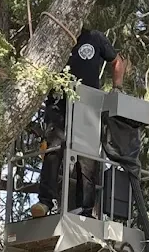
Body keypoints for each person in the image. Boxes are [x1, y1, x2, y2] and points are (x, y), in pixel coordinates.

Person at [31, 30, 127, 219]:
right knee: (53, 150)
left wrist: (117, 88)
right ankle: (45, 202)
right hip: (59, 105)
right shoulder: (54, 36)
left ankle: (85, 209)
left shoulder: (94, 38)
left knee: (87, 159)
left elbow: (117, 61)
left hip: (88, 107)